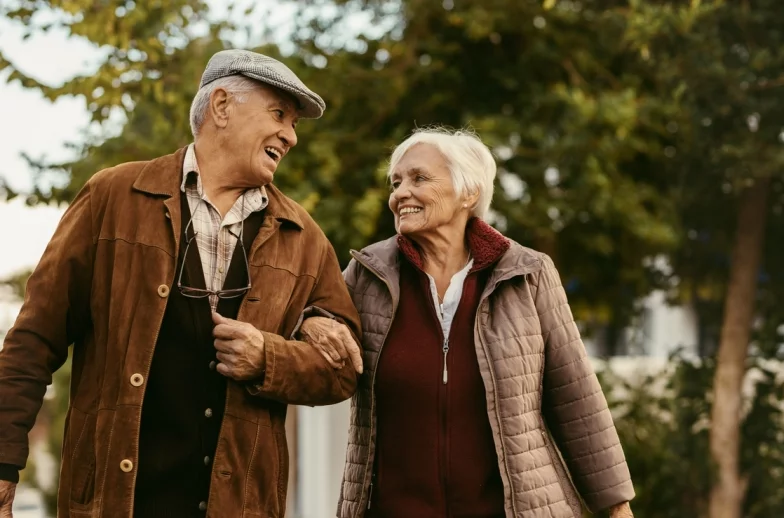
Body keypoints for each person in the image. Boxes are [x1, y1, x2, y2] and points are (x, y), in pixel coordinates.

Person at [0, 49, 362, 518]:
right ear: (222, 106)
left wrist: (268, 358)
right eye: (279, 115)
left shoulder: (304, 237)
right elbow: (33, 338)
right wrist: (4, 462)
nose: (290, 136)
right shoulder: (113, 196)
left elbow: (344, 371)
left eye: (294, 124)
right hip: (114, 503)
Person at [331, 127, 635, 517]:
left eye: (419, 178)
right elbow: (317, 332)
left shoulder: (527, 274)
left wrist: (615, 506)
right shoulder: (366, 274)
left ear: (468, 193)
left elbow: (575, 396)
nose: (399, 194)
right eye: (396, 182)